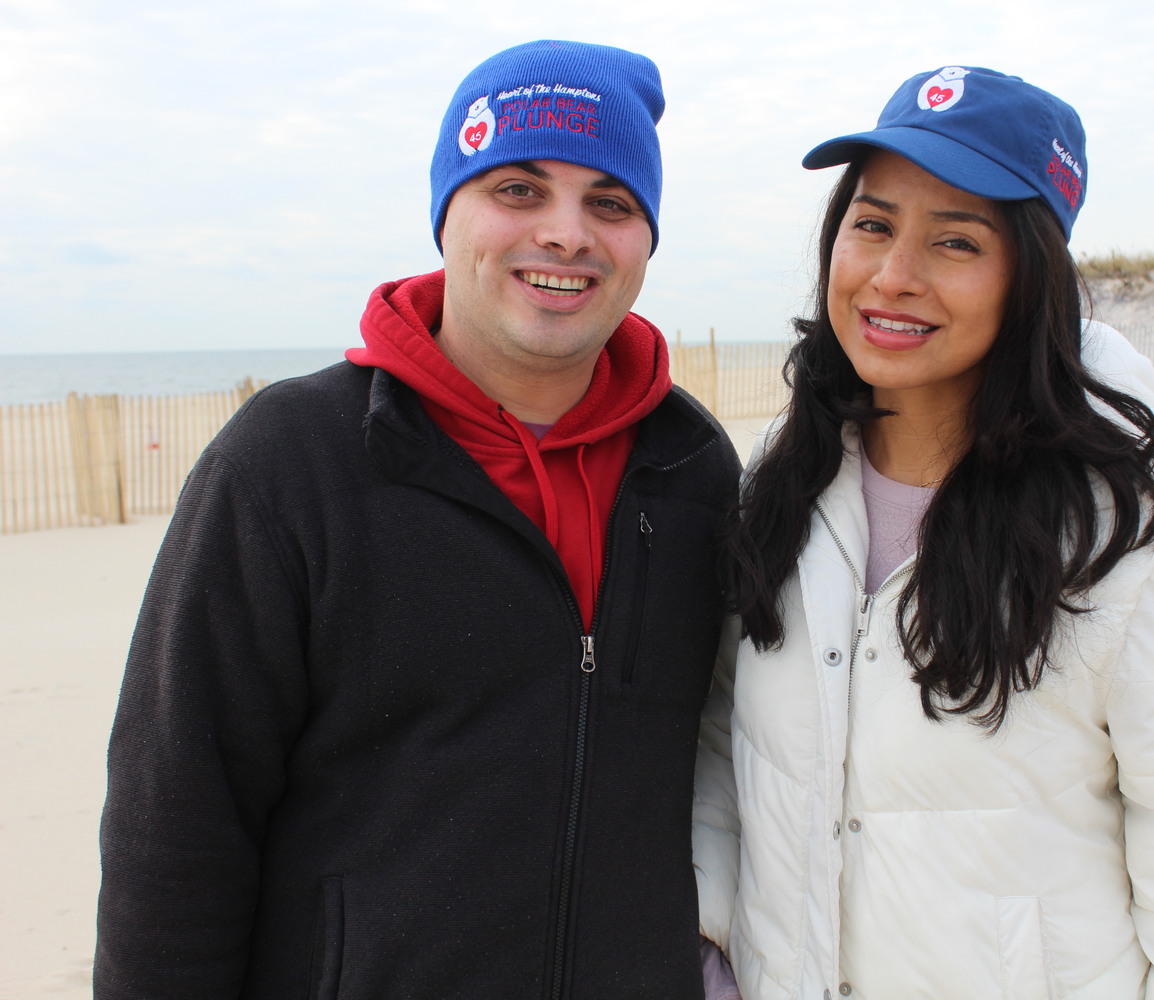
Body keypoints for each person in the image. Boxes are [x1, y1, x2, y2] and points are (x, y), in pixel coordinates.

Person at [95, 40, 741, 999]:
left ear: (646, 239)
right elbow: (177, 825)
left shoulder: (692, 468)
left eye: (610, 202)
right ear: (449, 213)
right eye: (518, 189)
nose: (566, 234)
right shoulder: (291, 458)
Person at [698, 66, 1154, 998]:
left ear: (1030, 277)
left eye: (956, 241)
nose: (894, 275)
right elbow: (727, 751)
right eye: (874, 223)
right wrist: (714, 949)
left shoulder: (1117, 524)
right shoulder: (785, 477)